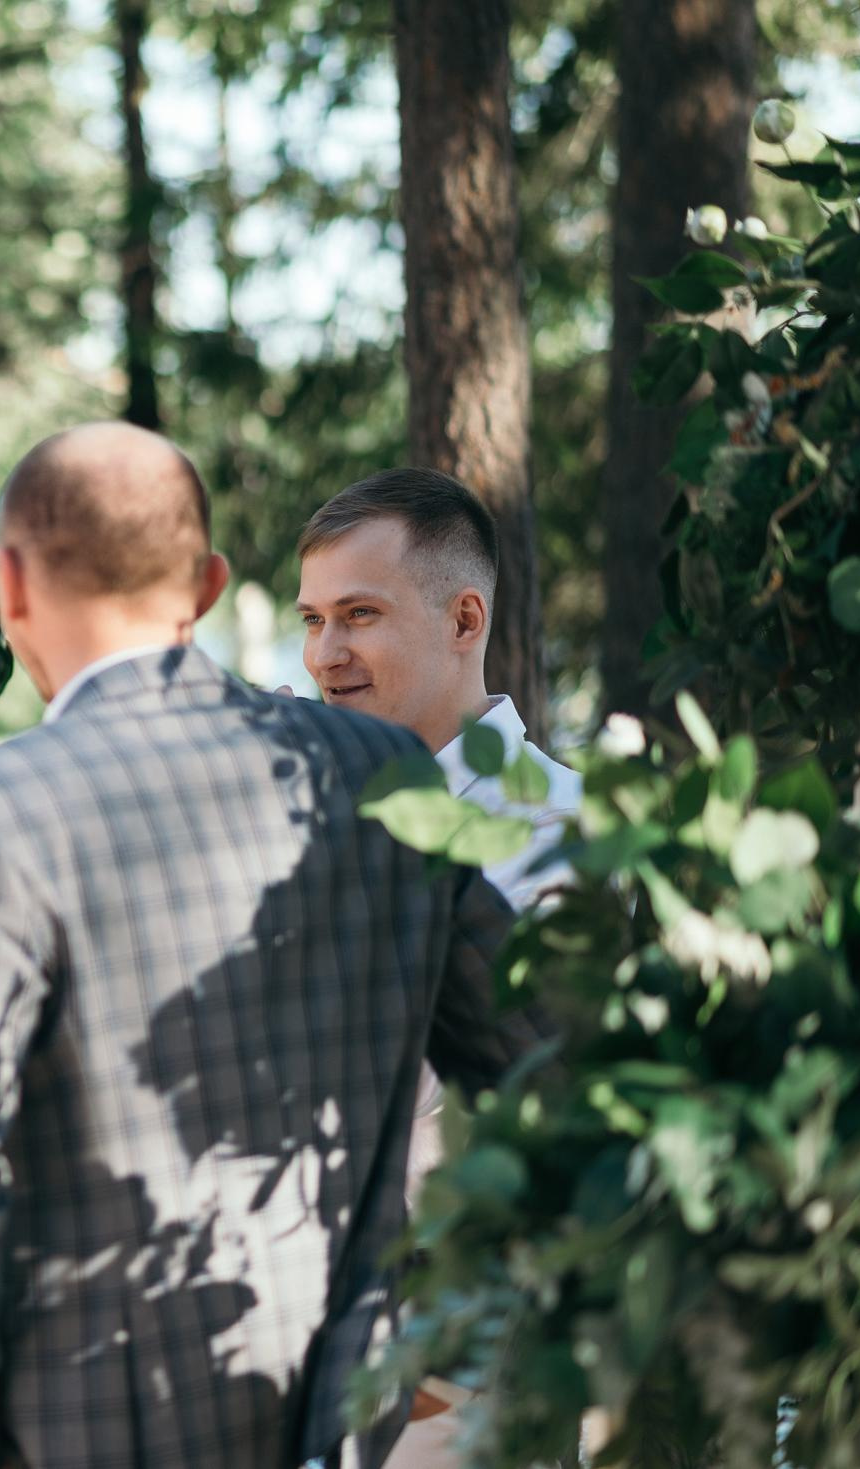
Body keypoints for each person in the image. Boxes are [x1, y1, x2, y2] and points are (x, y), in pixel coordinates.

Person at [0, 423, 548, 1469]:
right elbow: (547, 1062)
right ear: (208, 584)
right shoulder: (374, 767)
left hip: (89, 1430)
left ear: (10, 585)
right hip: (340, 1421)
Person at [295, 468, 581, 1467]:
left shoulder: (557, 833)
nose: (326, 654)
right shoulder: (312, 819)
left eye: (359, 615)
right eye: (313, 618)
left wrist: (431, 1384)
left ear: (466, 617)